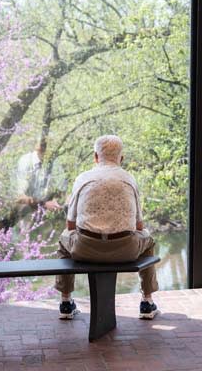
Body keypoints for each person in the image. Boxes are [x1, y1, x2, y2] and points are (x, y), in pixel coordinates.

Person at [54, 135, 159, 320]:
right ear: (121, 158)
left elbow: (70, 224)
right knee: (148, 240)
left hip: (84, 250)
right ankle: (147, 302)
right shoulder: (129, 179)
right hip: (126, 251)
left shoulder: (83, 179)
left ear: (95, 156)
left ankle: (65, 302)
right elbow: (139, 225)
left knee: (64, 239)